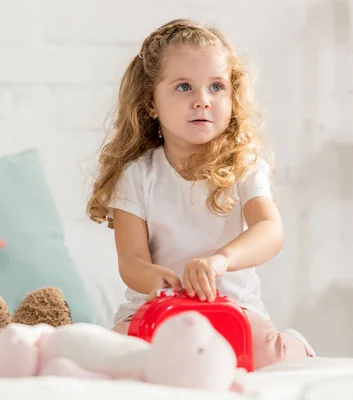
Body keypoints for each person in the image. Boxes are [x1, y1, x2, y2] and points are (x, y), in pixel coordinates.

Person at [86, 18, 315, 370]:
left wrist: (219, 260)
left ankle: (296, 344)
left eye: (216, 87)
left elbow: (270, 230)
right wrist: (155, 279)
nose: (202, 101)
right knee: (110, 359)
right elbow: (130, 259)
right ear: (150, 103)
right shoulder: (137, 175)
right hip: (159, 307)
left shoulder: (244, 167)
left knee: (272, 357)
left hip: (231, 307)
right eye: (183, 87)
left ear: (232, 96)